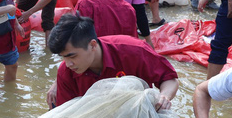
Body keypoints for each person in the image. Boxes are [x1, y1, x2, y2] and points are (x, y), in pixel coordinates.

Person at [47, 13, 178, 108]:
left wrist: (164, 97)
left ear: (93, 45)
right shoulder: (66, 72)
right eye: (63, 57)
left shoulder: (134, 51)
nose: (68, 63)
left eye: (72, 56)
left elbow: (169, 78)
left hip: (138, 114)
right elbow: (66, 116)